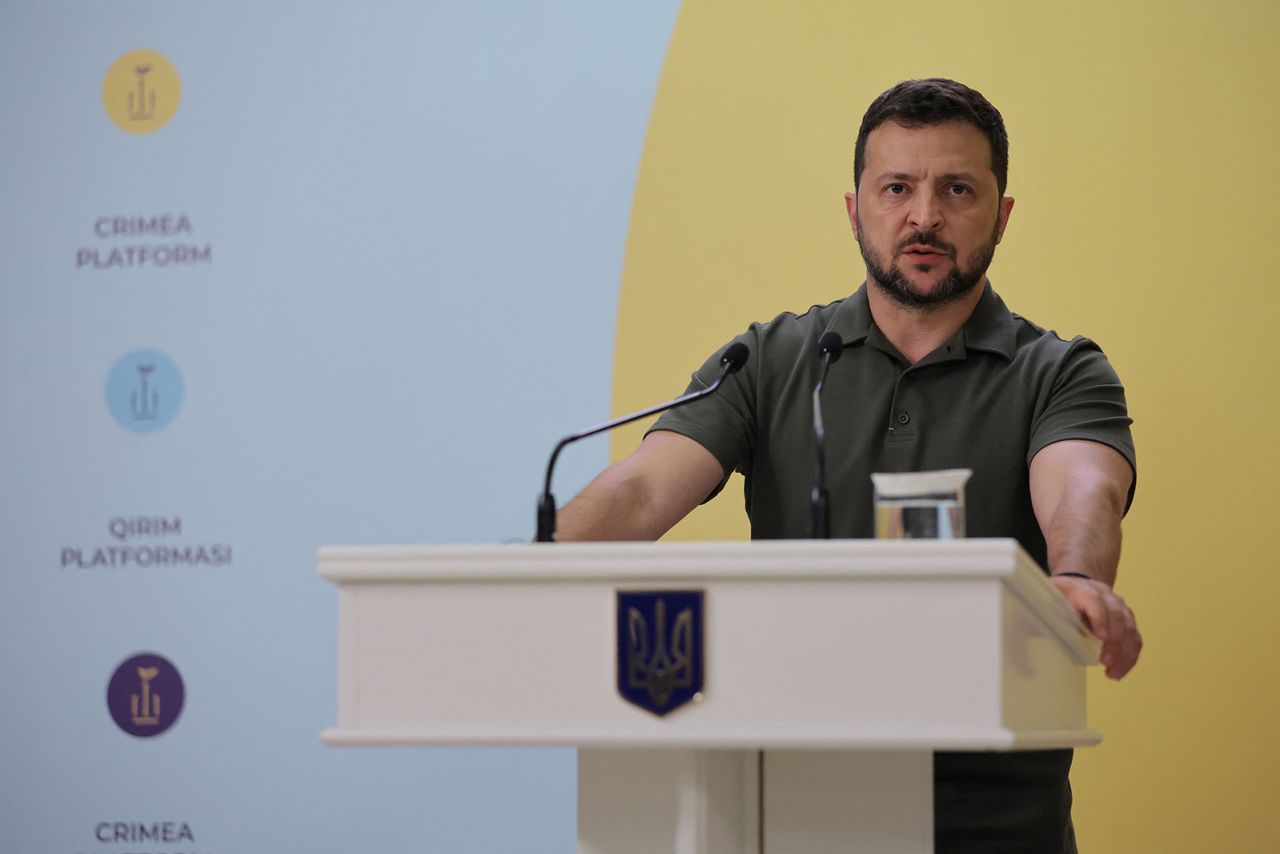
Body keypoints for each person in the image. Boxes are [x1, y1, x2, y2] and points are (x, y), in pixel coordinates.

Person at [558, 78, 1141, 852]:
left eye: (957, 190)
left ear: (1001, 217)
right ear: (854, 208)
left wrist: (1077, 579)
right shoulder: (768, 360)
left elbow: (1082, 490)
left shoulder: (1061, 371)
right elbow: (638, 491)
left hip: (994, 822)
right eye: (896, 187)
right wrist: (524, 576)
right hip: (796, 807)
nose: (924, 216)